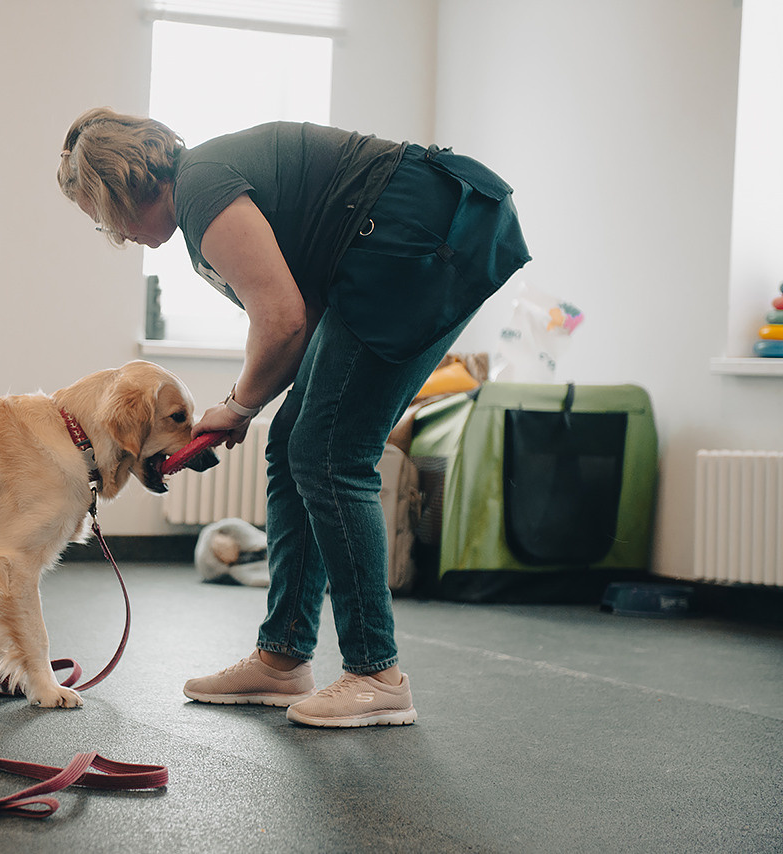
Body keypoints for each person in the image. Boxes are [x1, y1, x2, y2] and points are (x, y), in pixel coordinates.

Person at [57, 108, 529, 728]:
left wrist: (238, 403)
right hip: (397, 243)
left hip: (427, 232)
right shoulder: (205, 190)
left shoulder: (202, 188)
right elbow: (296, 327)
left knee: (331, 454)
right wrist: (240, 409)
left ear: (121, 186)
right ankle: (283, 658)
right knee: (291, 443)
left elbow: (282, 322)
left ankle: (376, 673)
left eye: (100, 213)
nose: (107, 229)